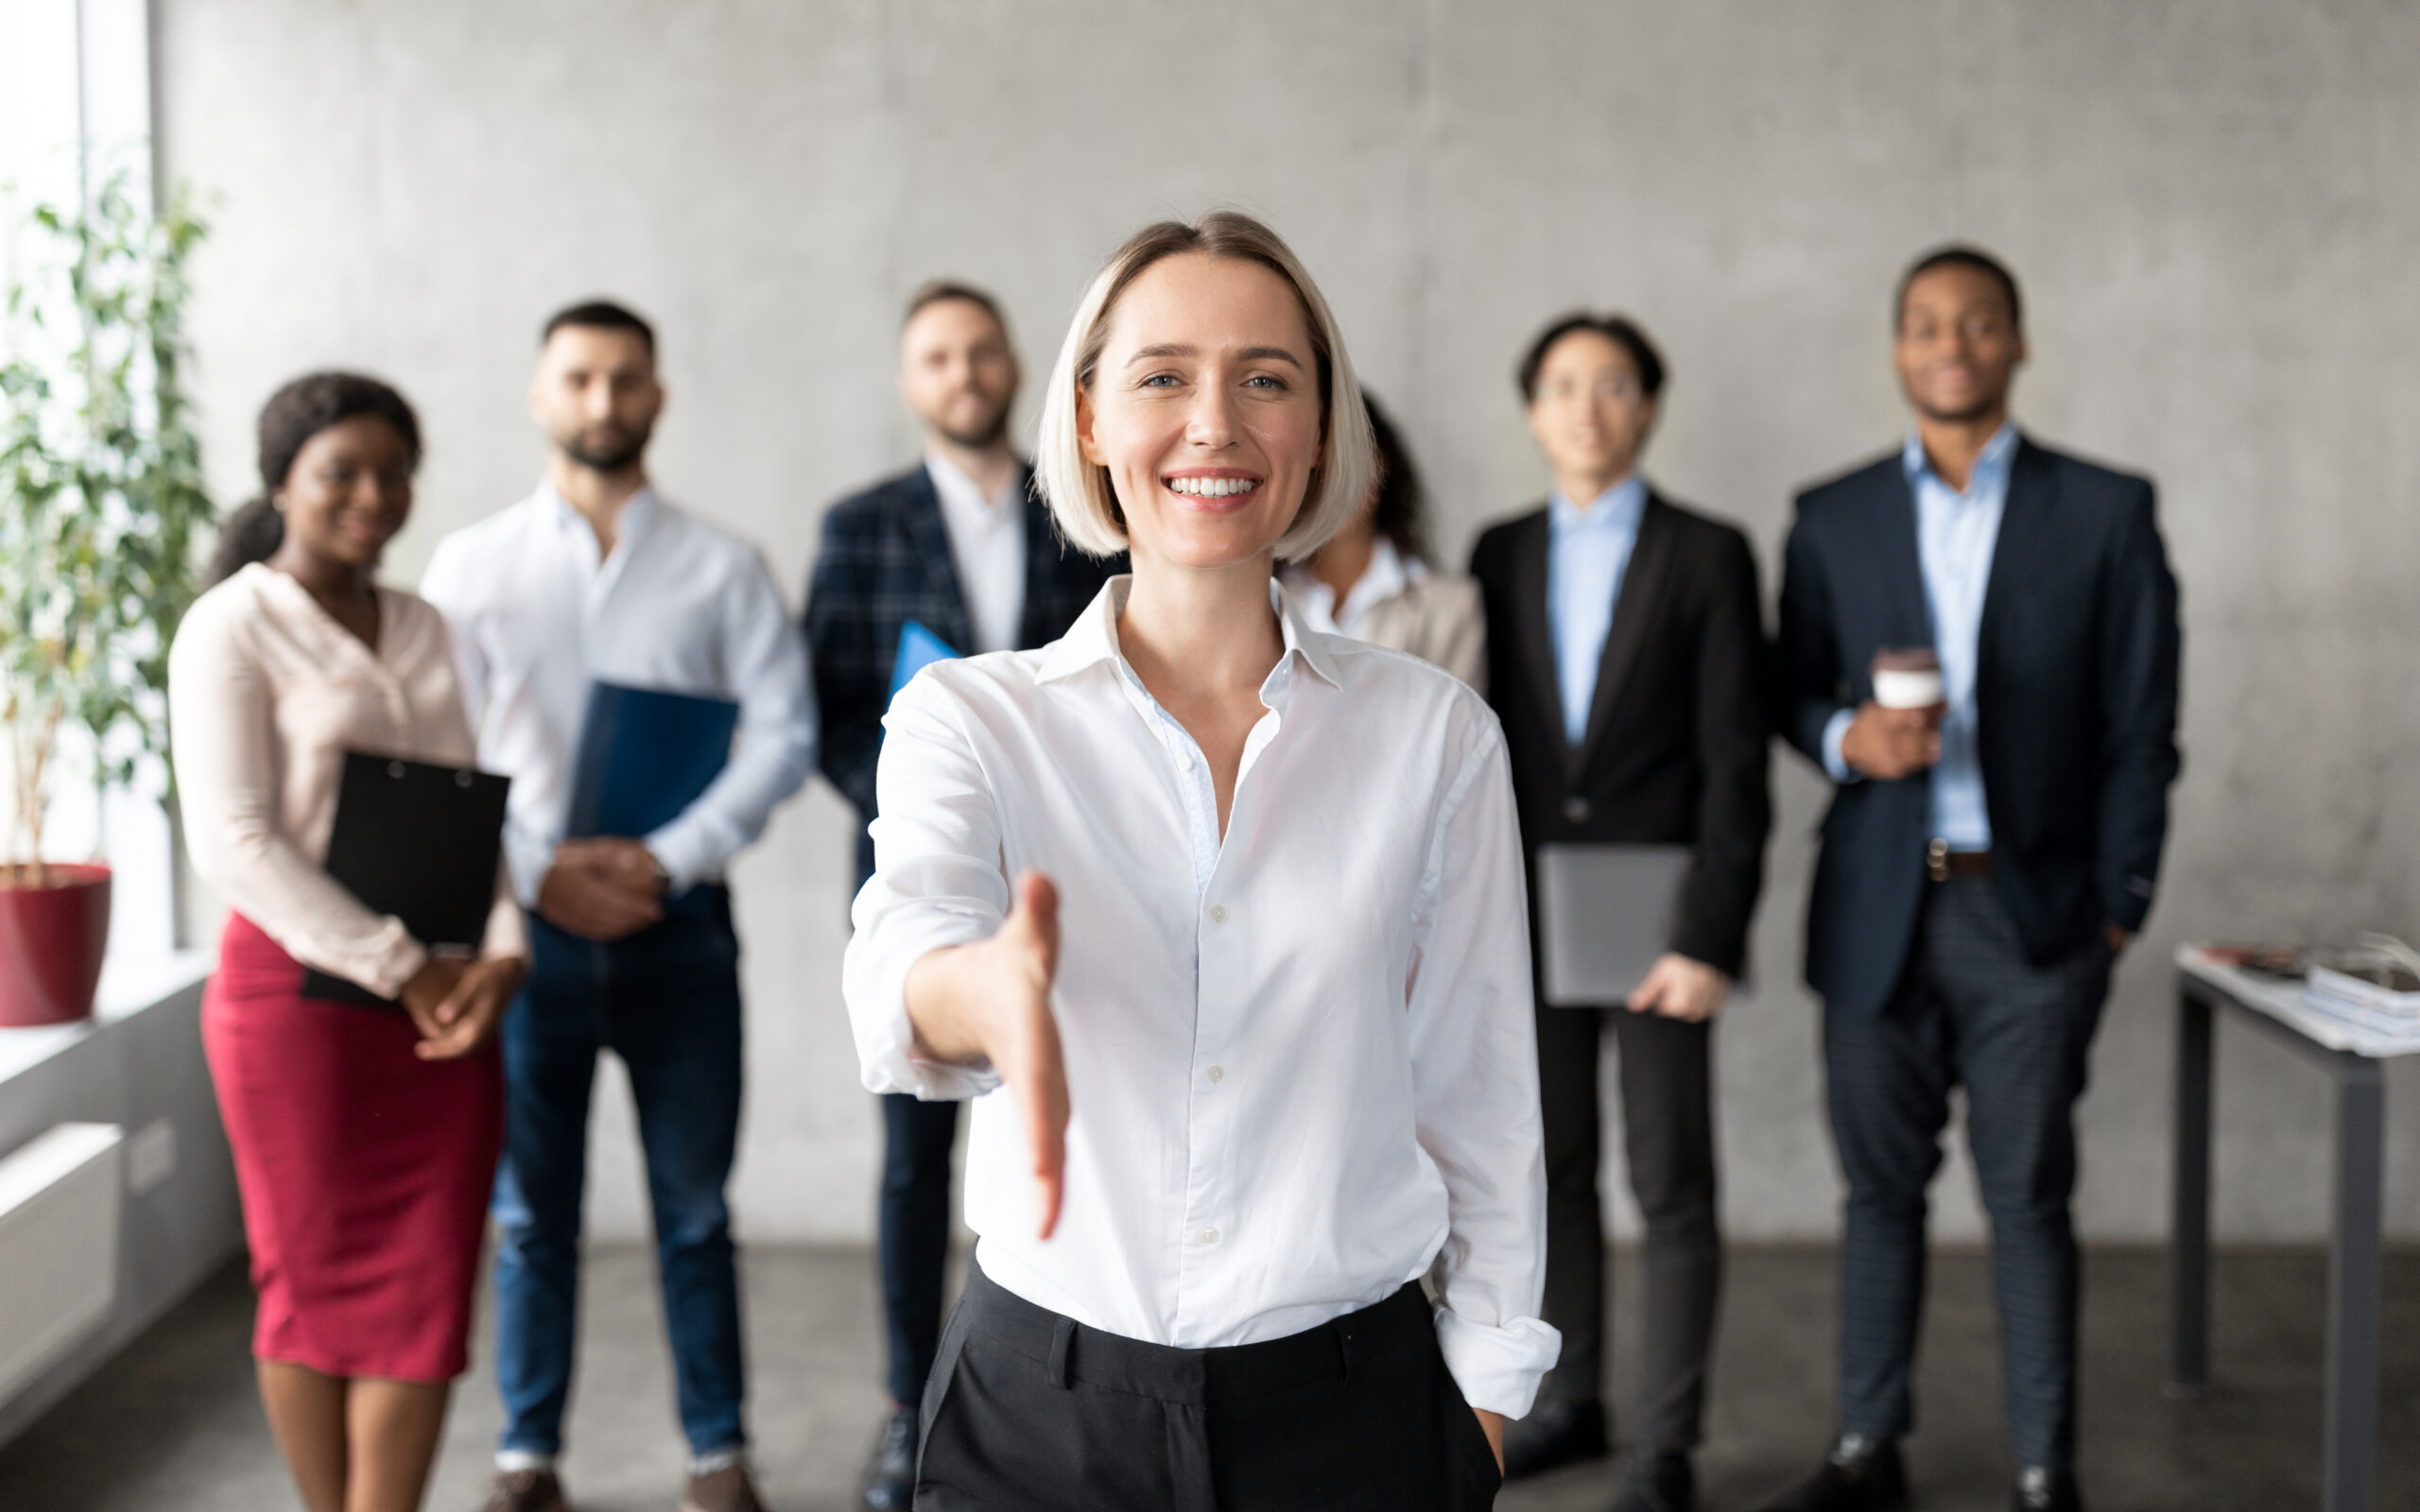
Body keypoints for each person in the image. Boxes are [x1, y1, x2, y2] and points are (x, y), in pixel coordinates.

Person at [841, 211, 1557, 1511]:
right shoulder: (973, 717)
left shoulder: (1436, 735)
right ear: (1091, 418)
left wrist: (1484, 1417)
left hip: (1358, 1414)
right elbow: (904, 945)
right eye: (1164, 375)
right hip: (1038, 1414)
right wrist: (984, 993)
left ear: (1326, 429)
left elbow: (1484, 1096)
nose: (1216, 424)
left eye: (1266, 379)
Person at [1757, 247, 2180, 1512]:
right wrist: (1847, 739)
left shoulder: (2106, 509)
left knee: (2028, 1196)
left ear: (2017, 343)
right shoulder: (1831, 516)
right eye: (1928, 324)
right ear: (1898, 349)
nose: (1953, 343)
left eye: (1979, 322)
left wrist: (2118, 909)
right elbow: (1789, 688)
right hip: (1879, 903)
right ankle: (1866, 1448)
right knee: (1879, 1192)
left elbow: (2142, 728)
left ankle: (2048, 1471)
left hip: (2035, 914)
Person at [421, 301, 818, 1512]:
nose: (603, 402)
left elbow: (784, 732)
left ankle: (717, 1456)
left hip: (679, 931)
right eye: (580, 379)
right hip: (522, 937)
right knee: (531, 1213)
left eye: (625, 380)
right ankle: (525, 1459)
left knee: (694, 1212)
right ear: (542, 396)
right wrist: (542, 869)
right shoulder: (470, 567)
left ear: (658, 397)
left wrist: (663, 857)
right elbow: (445, 747)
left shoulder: (722, 564)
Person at [171, 372, 529, 1512]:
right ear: (283, 483)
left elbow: (477, 812)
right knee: (311, 1287)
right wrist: (399, 962)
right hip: (298, 1008)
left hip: (444, 1008)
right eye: (341, 472)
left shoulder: (426, 623)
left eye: (392, 472)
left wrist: (505, 951)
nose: (371, 495)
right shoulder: (230, 624)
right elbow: (236, 842)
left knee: (426, 1292)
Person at [802, 279, 1116, 1510]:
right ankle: (904, 1407)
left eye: (983, 352)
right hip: (923, 877)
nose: (965, 373)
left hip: (1065, 873)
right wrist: (917, 799)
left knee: (1070, 1125)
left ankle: (1064, 1399)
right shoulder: (861, 523)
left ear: (1014, 364)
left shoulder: (1078, 514)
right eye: (938, 356)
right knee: (911, 1156)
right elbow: (831, 707)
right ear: (910, 380)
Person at [1468, 313, 1771, 1511]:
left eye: (1611, 386)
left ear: (1647, 407)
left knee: (1672, 1182)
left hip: (1662, 925)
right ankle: (1576, 1401)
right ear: (1532, 411)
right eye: (1560, 386)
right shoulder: (1496, 554)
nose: (1585, 407)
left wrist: (1710, 935)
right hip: (1523, 917)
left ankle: (1666, 1446)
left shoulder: (1709, 553)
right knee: (1554, 1175)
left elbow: (1735, 764)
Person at [1278, 391, 1485, 686]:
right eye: (1318, 466)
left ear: (1381, 464)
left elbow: (1461, 728)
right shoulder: (1259, 598)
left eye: (1350, 459)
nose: (1335, 485)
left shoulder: (1450, 607)